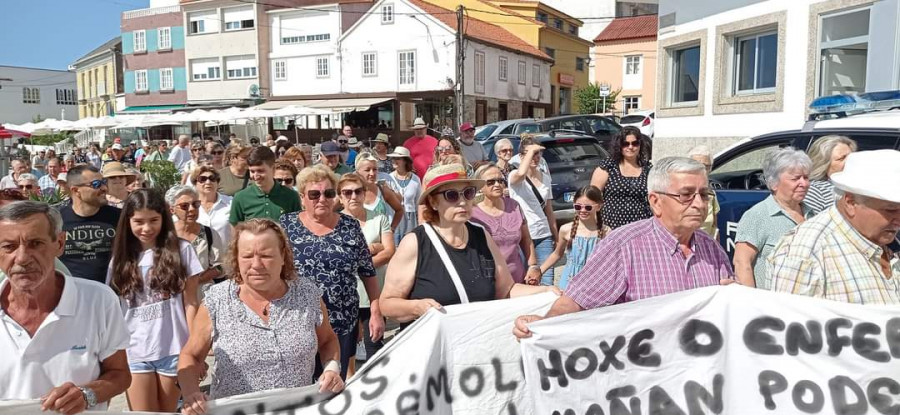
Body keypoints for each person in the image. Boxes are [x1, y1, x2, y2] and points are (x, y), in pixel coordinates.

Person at [514, 157, 735, 340]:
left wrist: (734, 297)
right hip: (643, 377)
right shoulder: (624, 245)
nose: (699, 204)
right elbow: (576, 301)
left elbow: (729, 306)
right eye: (686, 195)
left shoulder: (712, 249)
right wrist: (544, 325)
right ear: (656, 202)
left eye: (704, 195)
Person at [178, 219, 344, 413]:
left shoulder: (307, 294)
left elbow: (328, 341)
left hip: (298, 410)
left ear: (283, 256)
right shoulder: (217, 301)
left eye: (266, 255)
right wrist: (191, 394)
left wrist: (332, 368)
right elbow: (190, 355)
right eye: (247, 256)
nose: (256, 265)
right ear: (236, 258)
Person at [380, 163, 556, 326]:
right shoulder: (416, 242)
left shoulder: (481, 235)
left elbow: (507, 290)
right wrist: (417, 307)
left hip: (474, 343)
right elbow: (387, 304)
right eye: (452, 195)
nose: (462, 201)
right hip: (435, 349)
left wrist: (546, 292)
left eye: (468, 193)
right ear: (433, 202)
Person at [0, 201, 131, 412]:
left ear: (59, 244)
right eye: (9, 247)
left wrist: (87, 394)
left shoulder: (98, 300)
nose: (22, 258)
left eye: (35, 243)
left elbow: (120, 374)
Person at [281, 165, 384, 379]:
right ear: (302, 197)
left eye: (328, 193)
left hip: (342, 321)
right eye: (314, 194)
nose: (322, 199)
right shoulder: (286, 225)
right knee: (300, 384)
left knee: (335, 383)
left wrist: (375, 311)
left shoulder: (350, 226)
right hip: (298, 321)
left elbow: (367, 270)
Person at [107, 189, 203, 412]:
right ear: (127, 222)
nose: (146, 228)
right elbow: (115, 311)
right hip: (134, 351)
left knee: (168, 411)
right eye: (138, 221)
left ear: (164, 218)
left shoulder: (183, 250)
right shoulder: (119, 259)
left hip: (174, 348)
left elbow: (191, 303)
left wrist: (194, 351)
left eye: (153, 220)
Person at [769, 150, 900, 304]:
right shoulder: (806, 253)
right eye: (890, 210)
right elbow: (789, 322)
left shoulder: (884, 240)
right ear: (851, 203)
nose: (898, 220)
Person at [734, 148, 813, 288]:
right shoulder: (758, 216)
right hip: (771, 305)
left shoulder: (812, 215)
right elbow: (742, 263)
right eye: (795, 178)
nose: (804, 184)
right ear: (774, 183)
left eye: (806, 177)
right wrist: (752, 304)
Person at [338, 174, 394, 367]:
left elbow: (389, 252)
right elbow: (338, 259)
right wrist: (373, 248)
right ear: (340, 197)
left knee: (375, 347)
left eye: (358, 191)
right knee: (346, 350)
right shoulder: (334, 223)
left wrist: (357, 262)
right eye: (347, 192)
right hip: (345, 295)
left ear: (364, 193)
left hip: (374, 294)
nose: (353, 196)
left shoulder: (379, 219)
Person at [471, 163, 541, 285]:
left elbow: (526, 239)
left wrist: (533, 266)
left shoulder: (513, 206)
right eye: (490, 182)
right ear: (480, 186)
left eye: (500, 180)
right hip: (488, 282)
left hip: (518, 279)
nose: (497, 185)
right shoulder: (472, 214)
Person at [58, 165, 121, 284]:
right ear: (76, 191)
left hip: (111, 293)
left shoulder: (119, 217)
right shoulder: (57, 220)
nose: (104, 188)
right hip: (72, 292)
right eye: (96, 184)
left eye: (104, 182)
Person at [508, 136, 557, 285]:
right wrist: (531, 151)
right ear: (521, 156)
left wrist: (555, 235)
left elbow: (549, 210)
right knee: (526, 280)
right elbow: (521, 174)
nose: (535, 157)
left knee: (546, 280)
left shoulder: (545, 178)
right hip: (523, 235)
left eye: (537, 153)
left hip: (543, 234)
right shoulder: (514, 176)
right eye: (531, 153)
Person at [540, 185, 611, 290]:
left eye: (588, 207)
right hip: (569, 282)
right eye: (578, 207)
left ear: (599, 206)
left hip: (593, 283)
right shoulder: (565, 229)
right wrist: (539, 271)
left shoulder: (606, 232)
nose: (582, 210)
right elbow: (557, 254)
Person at [591, 126, 653, 229]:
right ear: (619, 145)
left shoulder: (648, 168)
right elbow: (592, 197)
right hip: (611, 226)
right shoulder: (608, 166)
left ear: (640, 145)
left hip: (640, 225)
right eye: (625, 144)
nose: (630, 147)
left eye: (635, 143)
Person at [229, 146, 301, 225]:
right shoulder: (240, 198)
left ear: (273, 169)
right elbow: (235, 230)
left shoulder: (291, 196)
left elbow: (296, 229)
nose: (256, 176)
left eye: (260, 171)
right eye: (252, 171)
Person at [167, 186, 223, 285]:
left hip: (202, 295)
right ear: (172, 210)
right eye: (184, 206)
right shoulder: (165, 235)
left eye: (195, 204)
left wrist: (195, 281)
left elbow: (220, 266)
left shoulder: (209, 233)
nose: (192, 209)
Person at [804, 135, 857, 215]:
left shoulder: (858, 184)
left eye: (851, 157)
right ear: (824, 164)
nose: (849, 162)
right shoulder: (816, 191)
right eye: (841, 158)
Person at [356, 153, 404, 230]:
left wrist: (392, 229)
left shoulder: (382, 190)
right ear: (358, 172)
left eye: (375, 169)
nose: (372, 173)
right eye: (367, 170)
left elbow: (400, 210)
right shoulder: (350, 192)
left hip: (382, 240)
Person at [193, 166, 233, 256]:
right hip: (198, 260)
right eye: (202, 179)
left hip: (226, 259)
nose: (208, 182)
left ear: (217, 183)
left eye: (212, 179)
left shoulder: (231, 203)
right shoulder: (189, 206)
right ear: (195, 183)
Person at [387, 146, 421, 243]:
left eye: (397, 158)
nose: (394, 161)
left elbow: (418, 202)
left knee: (411, 245)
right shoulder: (389, 178)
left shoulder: (415, 179)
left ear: (405, 161)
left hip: (411, 219)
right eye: (393, 158)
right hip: (394, 217)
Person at [688, 146, 720, 239]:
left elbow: (714, 227)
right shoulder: (678, 192)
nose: (702, 170)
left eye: (706, 167)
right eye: (697, 165)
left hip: (706, 246)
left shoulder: (711, 194)